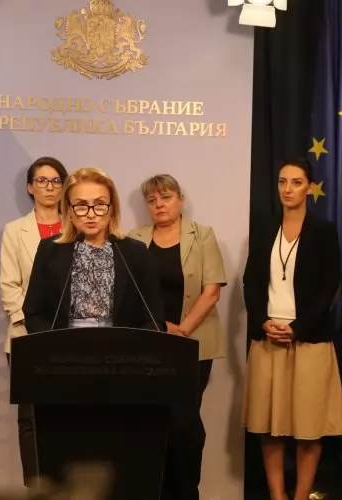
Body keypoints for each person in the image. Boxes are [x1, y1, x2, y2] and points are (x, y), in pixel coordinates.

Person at [242, 158, 342, 500]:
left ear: (309, 188)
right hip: (268, 338)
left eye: (296, 182)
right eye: (282, 182)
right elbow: (250, 282)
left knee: (309, 428)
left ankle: (301, 496)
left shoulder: (323, 230)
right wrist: (262, 320)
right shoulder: (264, 228)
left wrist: (299, 327)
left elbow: (330, 285)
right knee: (270, 427)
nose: (287, 189)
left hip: (309, 339)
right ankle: (277, 496)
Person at [129, 174, 226, 500]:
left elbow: (212, 291)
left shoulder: (203, 235)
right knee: (154, 421)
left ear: (180, 199)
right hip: (149, 343)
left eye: (166, 197)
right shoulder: (135, 239)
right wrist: (159, 329)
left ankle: (186, 492)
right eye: (152, 200)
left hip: (192, 344)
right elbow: (130, 292)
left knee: (184, 422)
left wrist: (181, 330)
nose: (159, 205)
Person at [22, 167, 164, 334]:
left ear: (112, 209)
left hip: (121, 346)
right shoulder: (50, 249)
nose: (91, 214)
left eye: (100, 204)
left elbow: (154, 318)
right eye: (81, 205)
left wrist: (132, 346)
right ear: (69, 210)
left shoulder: (135, 252)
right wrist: (56, 344)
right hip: (63, 346)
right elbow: (34, 314)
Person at [0, 156, 68, 487]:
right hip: (26, 336)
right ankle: (35, 488)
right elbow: (9, 285)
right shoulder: (15, 230)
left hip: (72, 335)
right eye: (42, 180)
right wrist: (32, 325)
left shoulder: (78, 226)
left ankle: (68, 486)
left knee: (68, 417)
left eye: (55, 181)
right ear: (30, 187)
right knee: (30, 417)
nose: (49, 187)